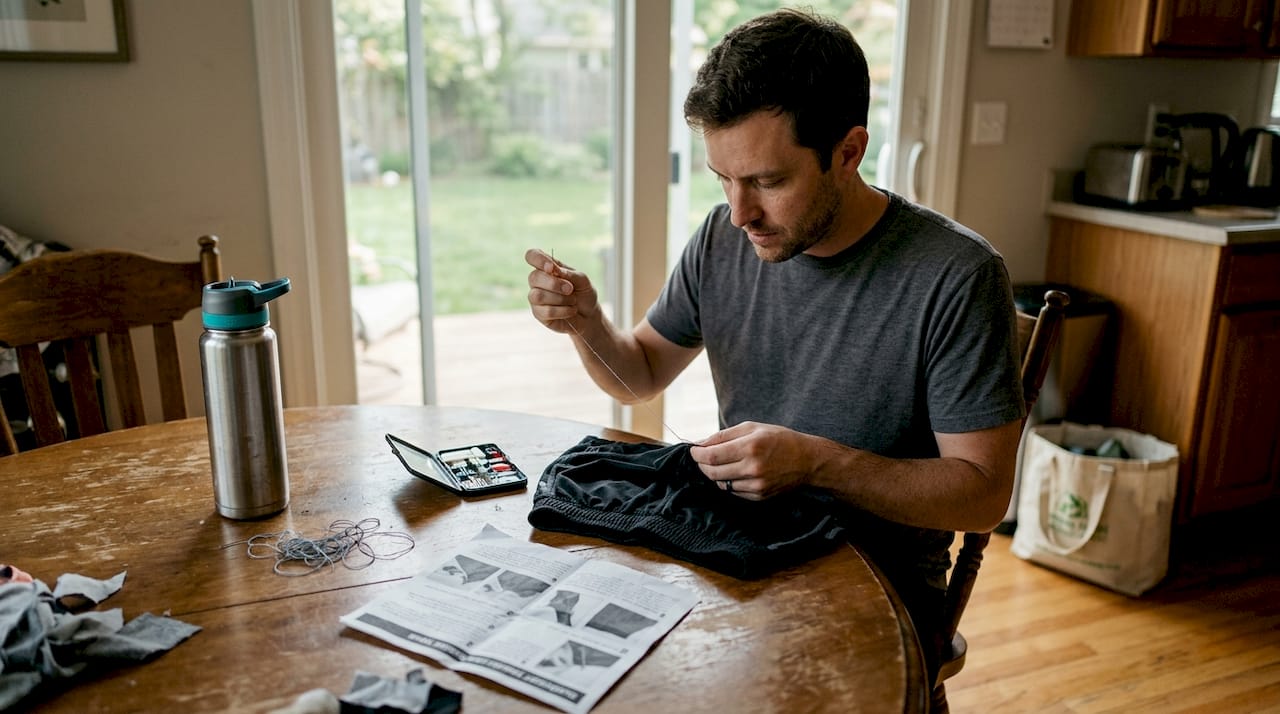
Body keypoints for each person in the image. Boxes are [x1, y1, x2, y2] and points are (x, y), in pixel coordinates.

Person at [524, 8, 1024, 681]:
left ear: (847, 152)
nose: (739, 212)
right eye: (723, 179)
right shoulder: (722, 236)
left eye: (767, 181)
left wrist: (816, 463)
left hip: (879, 586)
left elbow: (983, 494)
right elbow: (638, 375)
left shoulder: (956, 275)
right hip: (740, 550)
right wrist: (587, 322)